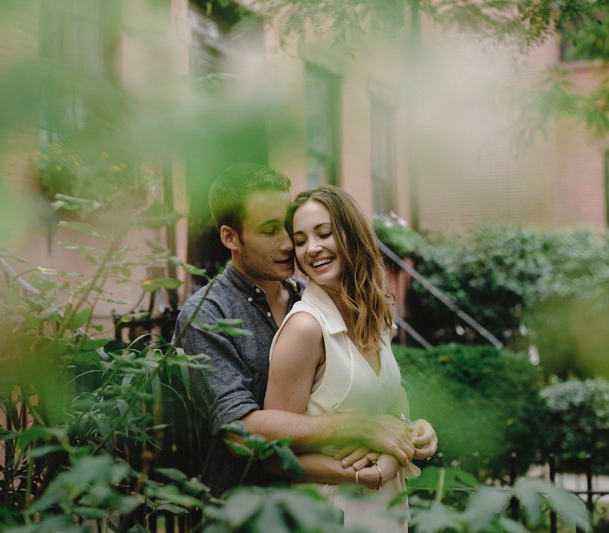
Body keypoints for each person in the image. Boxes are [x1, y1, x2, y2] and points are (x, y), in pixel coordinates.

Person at [173, 163, 424, 497]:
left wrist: (406, 426)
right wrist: (360, 427)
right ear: (230, 237)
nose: (289, 244)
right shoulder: (206, 315)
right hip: (247, 511)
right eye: (269, 230)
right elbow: (239, 430)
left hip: (323, 506)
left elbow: (377, 386)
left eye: (287, 228)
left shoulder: (313, 296)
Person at [265, 185, 437, 531]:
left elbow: (389, 396)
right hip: (332, 512)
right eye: (300, 240)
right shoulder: (305, 328)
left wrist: (414, 429)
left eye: (324, 233)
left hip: (385, 510)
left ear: (353, 234)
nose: (312, 249)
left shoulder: (376, 314)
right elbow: (272, 453)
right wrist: (368, 473)